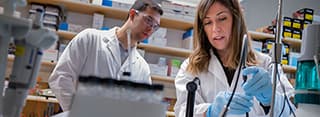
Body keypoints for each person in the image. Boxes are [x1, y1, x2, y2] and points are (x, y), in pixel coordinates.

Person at [174, 0, 295, 117]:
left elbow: (291, 112)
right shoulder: (190, 67)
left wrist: (270, 98)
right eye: (208, 22)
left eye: (222, 18)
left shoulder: (265, 63)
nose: (215, 28)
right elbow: (182, 111)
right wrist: (210, 111)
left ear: (236, 20)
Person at [49, 0, 163, 111]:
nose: (150, 29)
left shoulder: (143, 68)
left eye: (155, 26)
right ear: (133, 15)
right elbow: (60, 77)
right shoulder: (89, 39)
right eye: (148, 20)